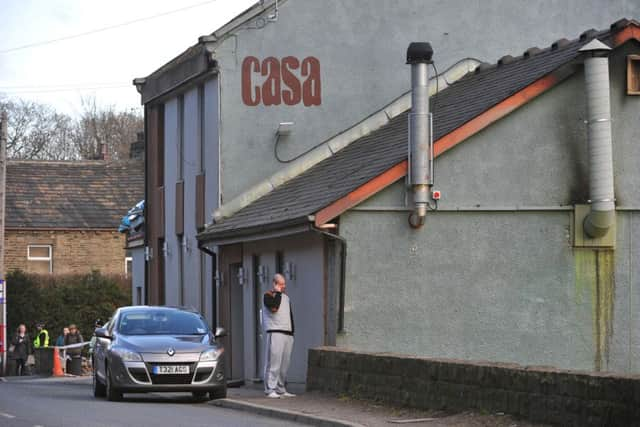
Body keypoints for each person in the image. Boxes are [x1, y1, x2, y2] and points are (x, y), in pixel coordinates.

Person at [262, 273, 295, 398]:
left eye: (284, 284)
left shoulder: (286, 298)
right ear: (275, 284)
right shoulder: (268, 295)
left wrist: (292, 332)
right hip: (275, 331)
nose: (284, 286)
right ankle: (270, 389)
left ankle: (281, 388)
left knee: (284, 364)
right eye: (281, 284)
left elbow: (289, 315)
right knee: (273, 362)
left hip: (287, 332)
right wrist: (278, 293)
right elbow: (274, 307)